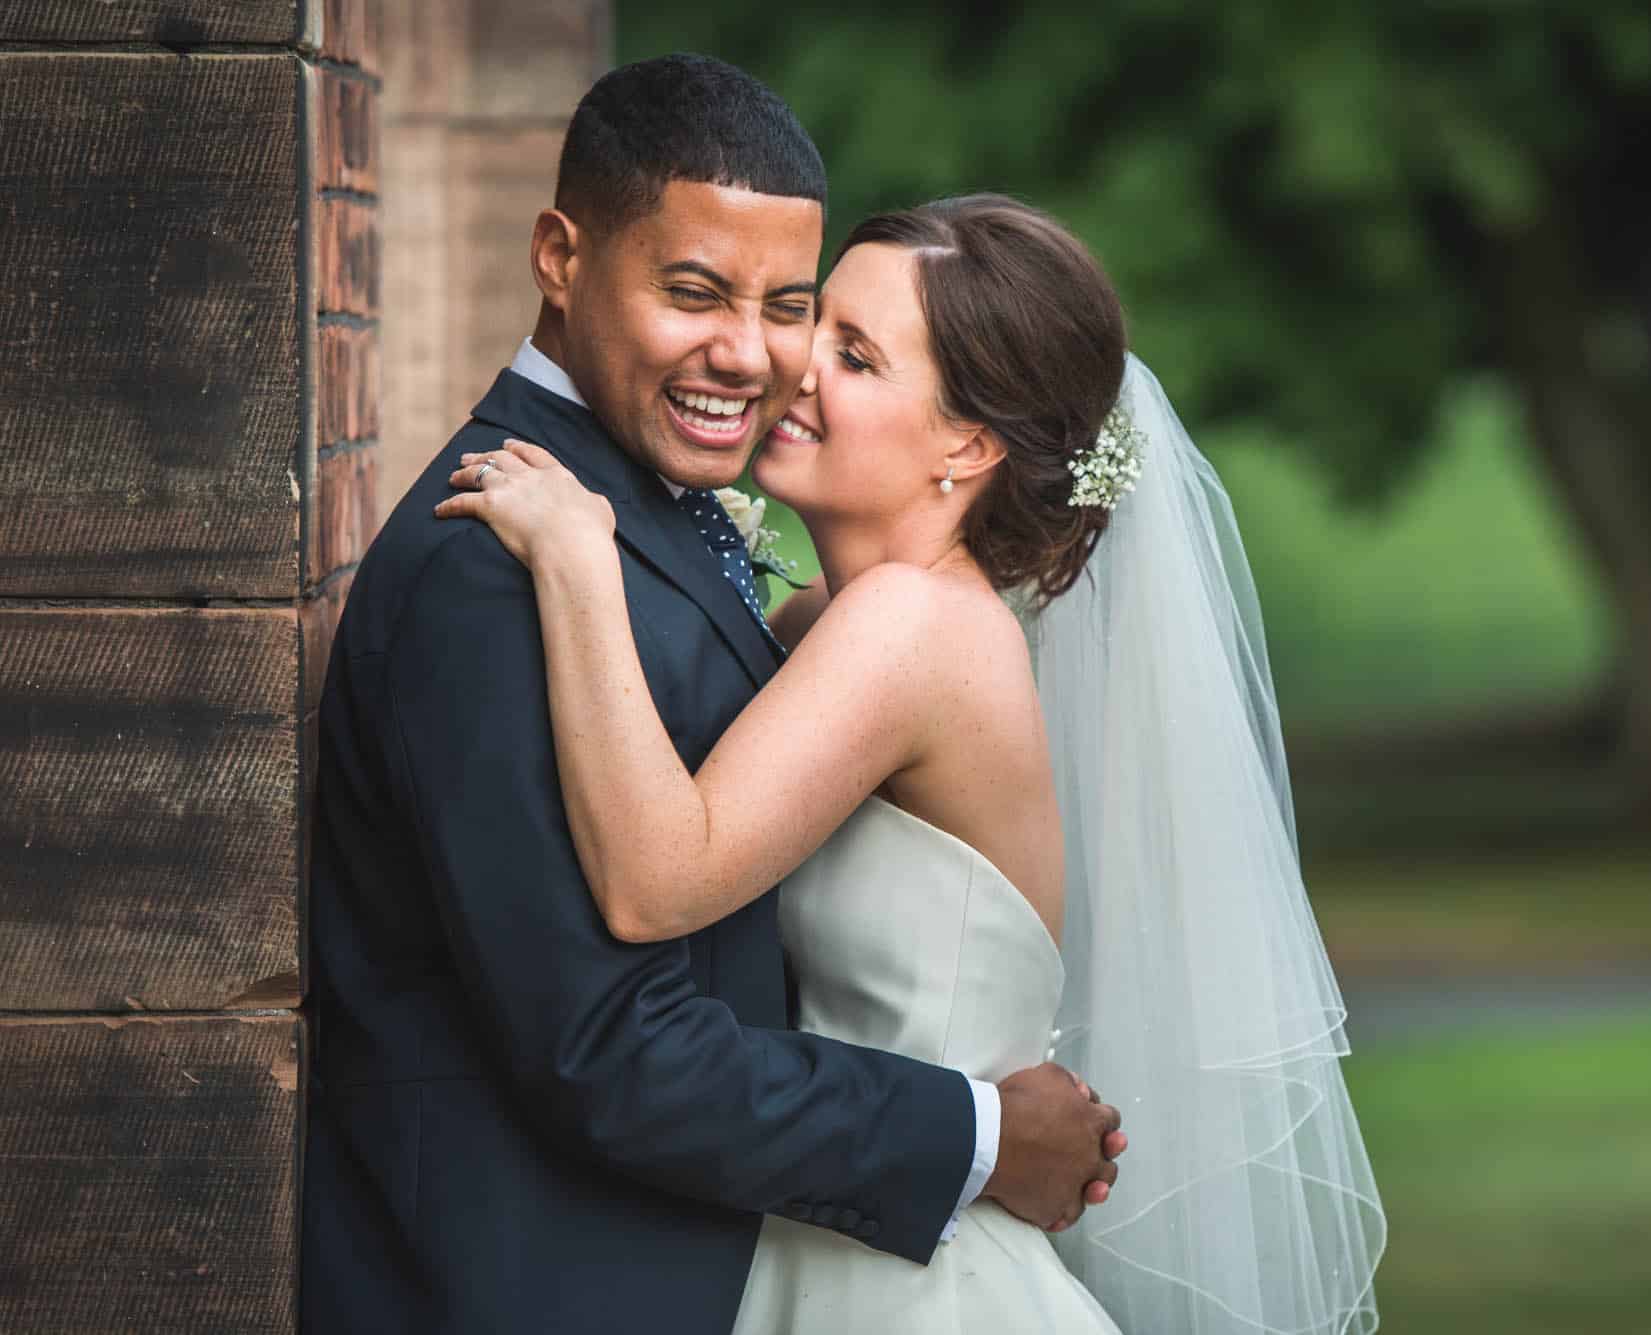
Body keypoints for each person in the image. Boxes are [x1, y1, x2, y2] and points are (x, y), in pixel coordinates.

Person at [439, 188, 1386, 1330]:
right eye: (812, 323)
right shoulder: (825, 628)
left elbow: (655, 879)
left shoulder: (913, 628)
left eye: (856, 355)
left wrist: (581, 562)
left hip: (903, 1286)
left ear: (967, 443)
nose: (792, 369)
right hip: (833, 1225)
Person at [300, 56, 1123, 1335]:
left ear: (969, 444)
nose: (766, 363)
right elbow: (607, 1045)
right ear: (560, 258)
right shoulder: (502, 553)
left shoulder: (837, 599)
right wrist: (974, 1133)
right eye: (695, 292)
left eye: (808, 323)